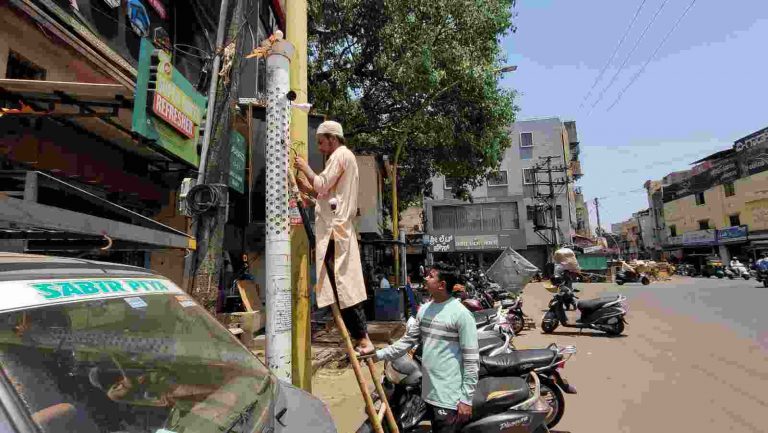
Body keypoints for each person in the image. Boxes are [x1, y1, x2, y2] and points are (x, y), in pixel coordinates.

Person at [361, 262, 479, 432]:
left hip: (449, 398)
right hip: (428, 394)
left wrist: (466, 400)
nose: (425, 278)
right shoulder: (425, 310)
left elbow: (471, 361)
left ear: (442, 285)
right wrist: (377, 355)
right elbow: (407, 341)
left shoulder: (461, 315)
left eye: (431, 276)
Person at [294, 120, 374, 355]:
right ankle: (360, 336)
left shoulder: (341, 154)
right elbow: (323, 193)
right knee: (339, 284)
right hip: (336, 228)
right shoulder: (341, 159)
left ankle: (362, 338)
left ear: (332, 138)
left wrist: (304, 167)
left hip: (335, 230)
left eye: (320, 142)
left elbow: (321, 183)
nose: (319, 147)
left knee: (342, 285)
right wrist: (307, 190)